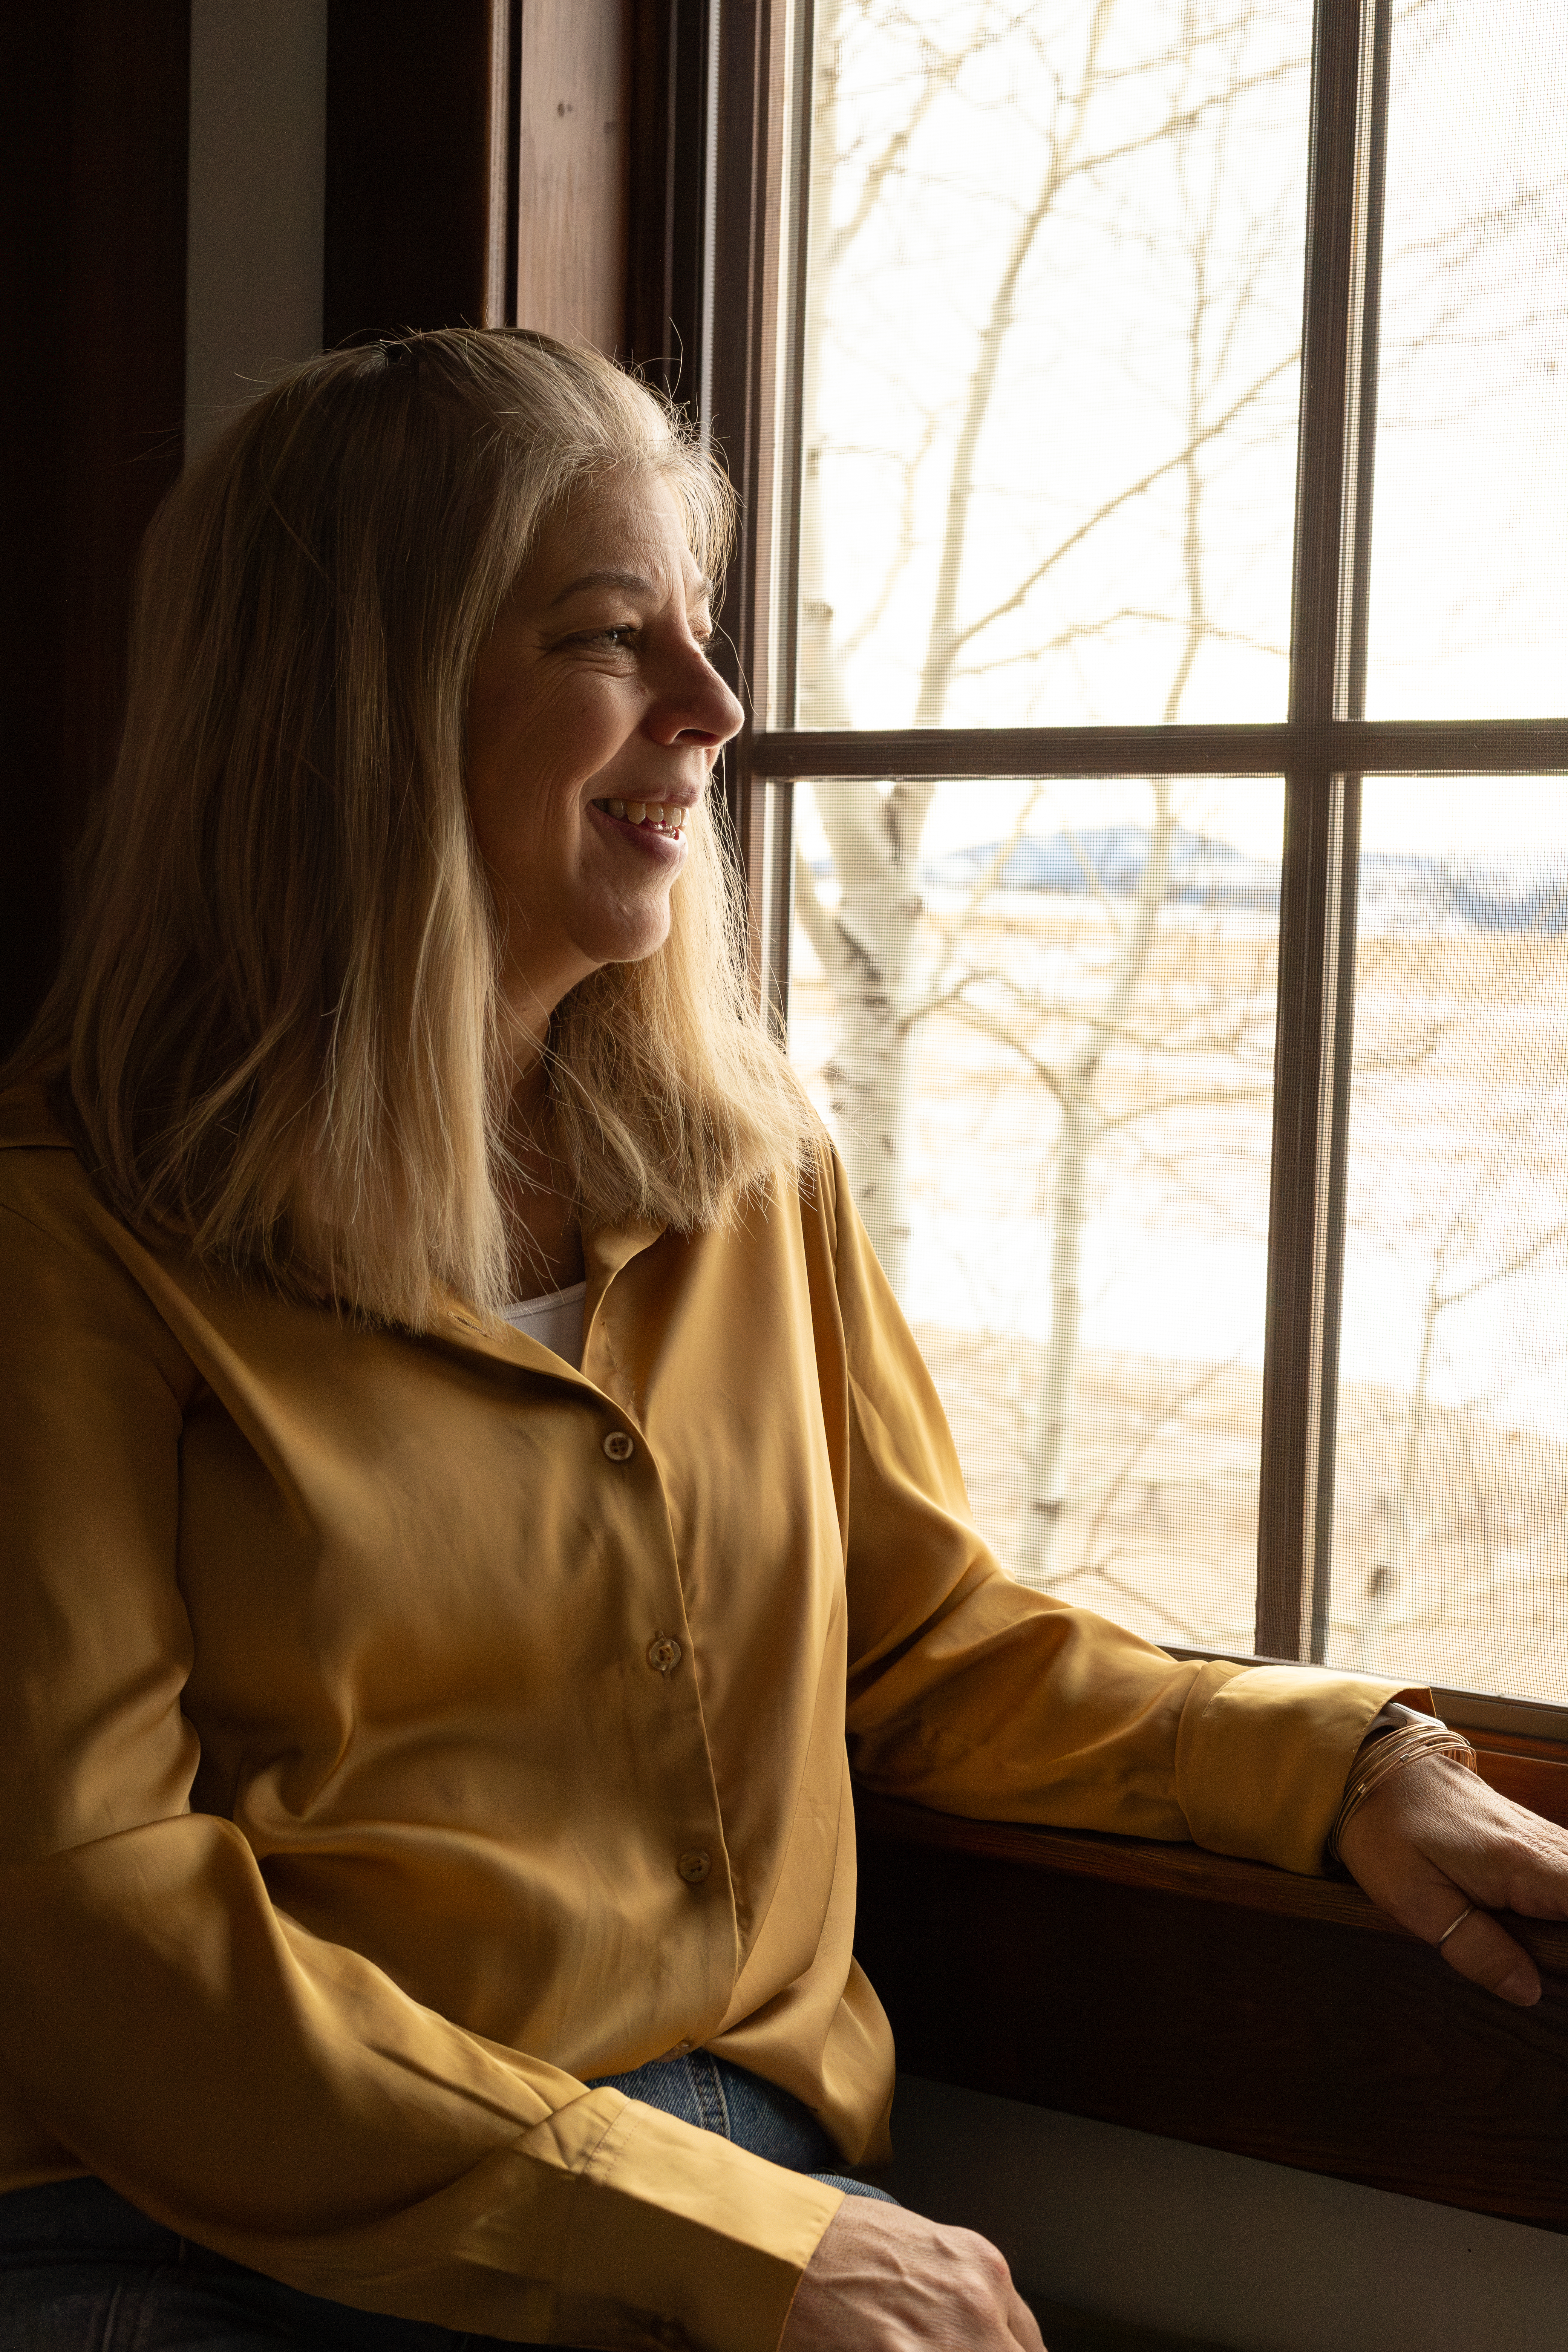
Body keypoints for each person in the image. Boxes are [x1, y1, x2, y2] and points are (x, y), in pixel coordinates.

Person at [1, 330, 1563, 2352]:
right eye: (607, 641)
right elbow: (91, 1911)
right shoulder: (66, 1229)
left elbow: (917, 1648)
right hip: (193, 2225)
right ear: (362, 711)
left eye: (707, 636)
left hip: (722, 2168)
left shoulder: (754, 1177)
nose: (716, 711)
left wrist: (1352, 1771)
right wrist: (723, 2234)